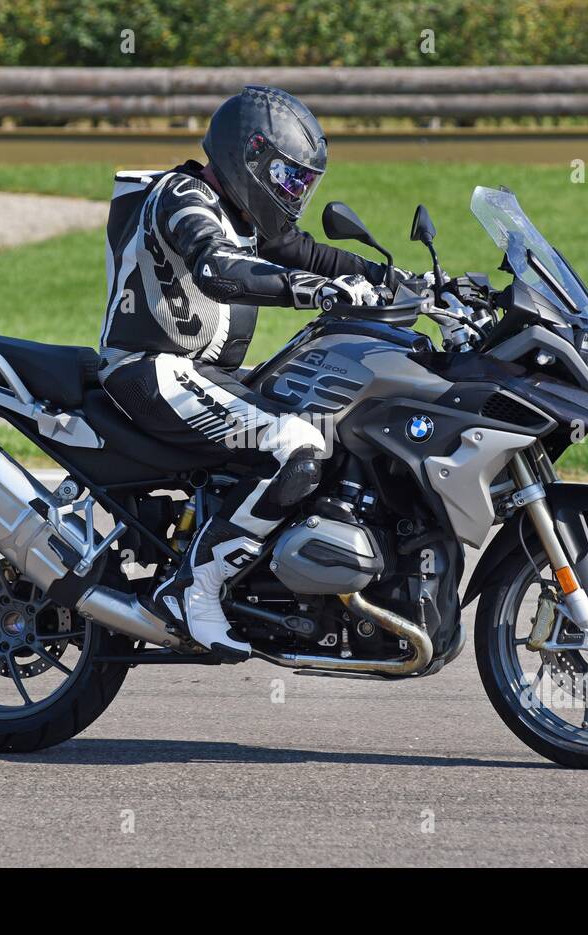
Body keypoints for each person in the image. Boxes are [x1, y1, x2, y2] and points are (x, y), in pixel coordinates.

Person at [97, 85, 398, 661]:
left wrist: (399, 280)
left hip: (199, 374)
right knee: (297, 445)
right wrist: (319, 291)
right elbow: (216, 267)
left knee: (340, 417)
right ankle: (192, 590)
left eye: (302, 185)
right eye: (288, 180)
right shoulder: (180, 195)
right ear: (249, 158)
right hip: (150, 370)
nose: (293, 196)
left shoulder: (242, 210)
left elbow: (303, 251)